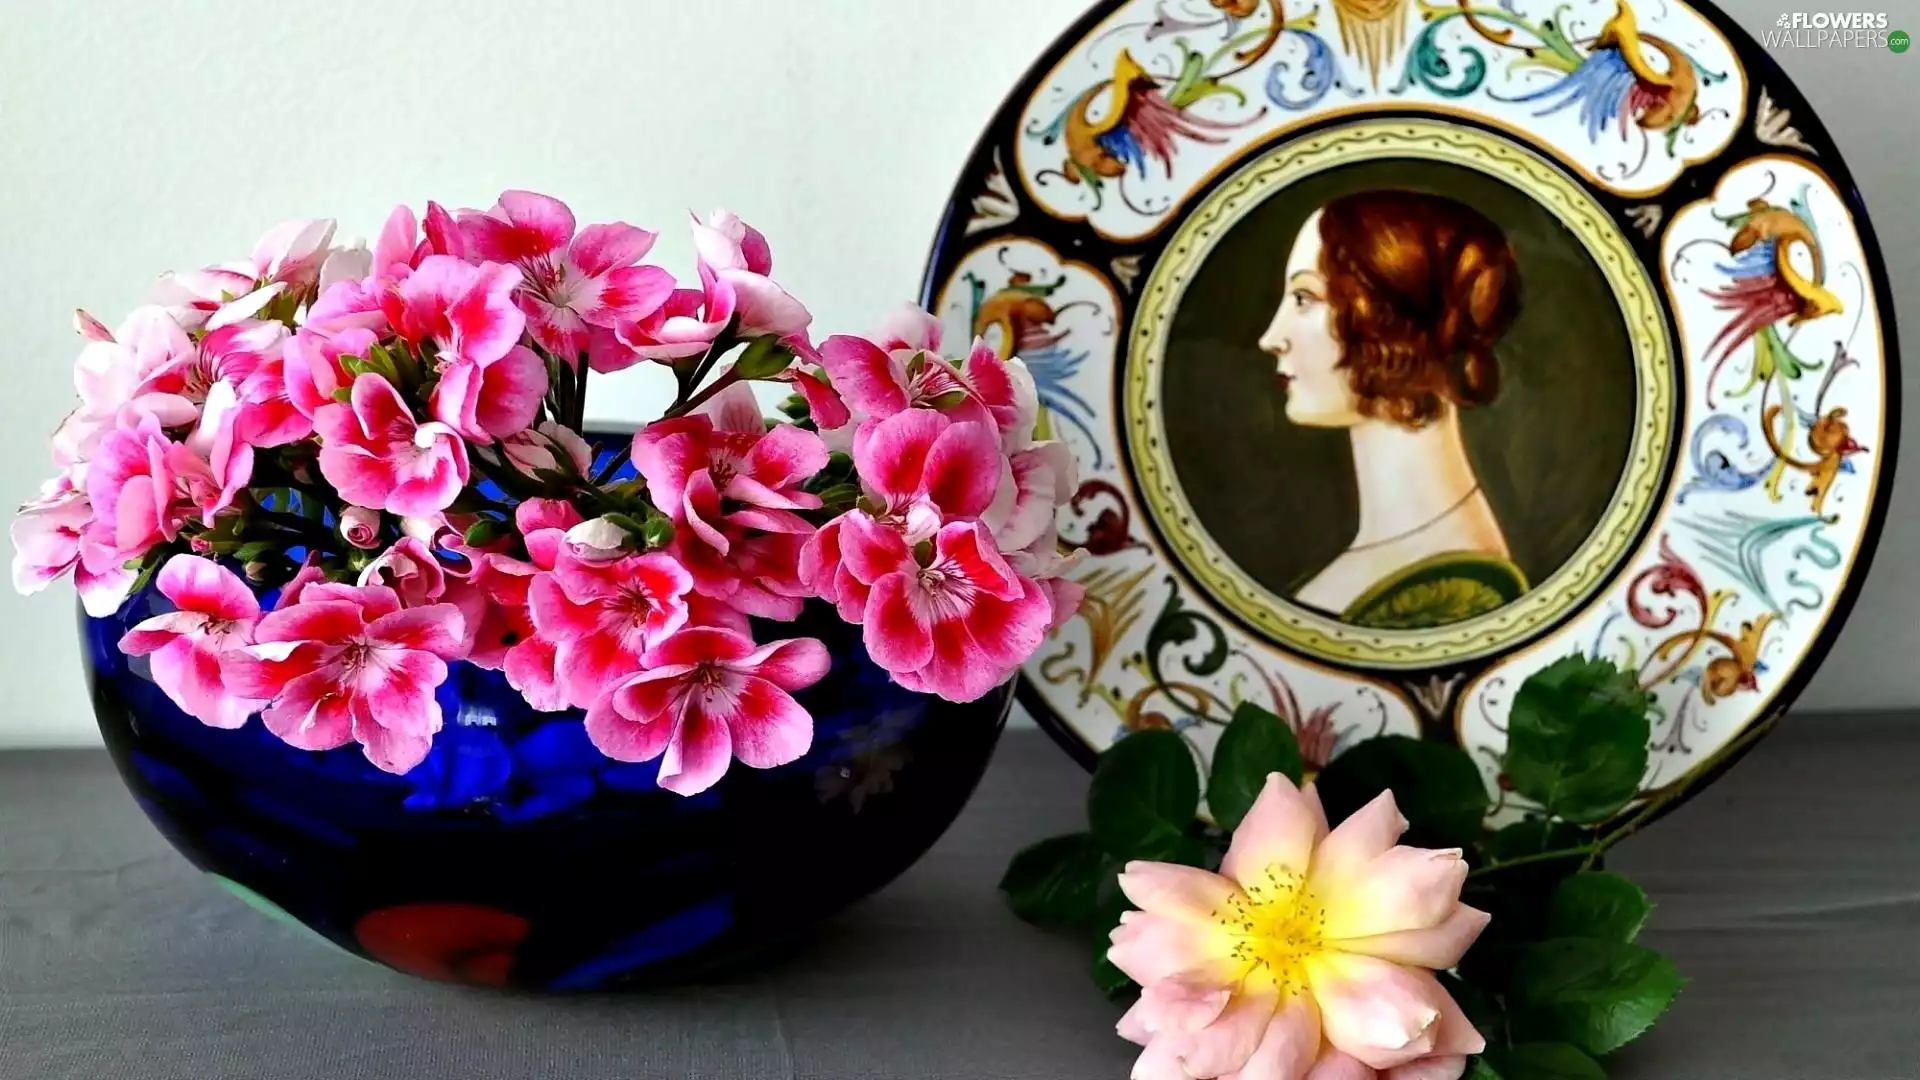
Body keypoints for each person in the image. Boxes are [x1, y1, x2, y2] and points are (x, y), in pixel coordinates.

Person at [1257, 189, 1527, 629]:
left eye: (1304, 298)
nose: (1271, 337)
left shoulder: (1452, 590)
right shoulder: (1397, 552)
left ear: (1387, 319)